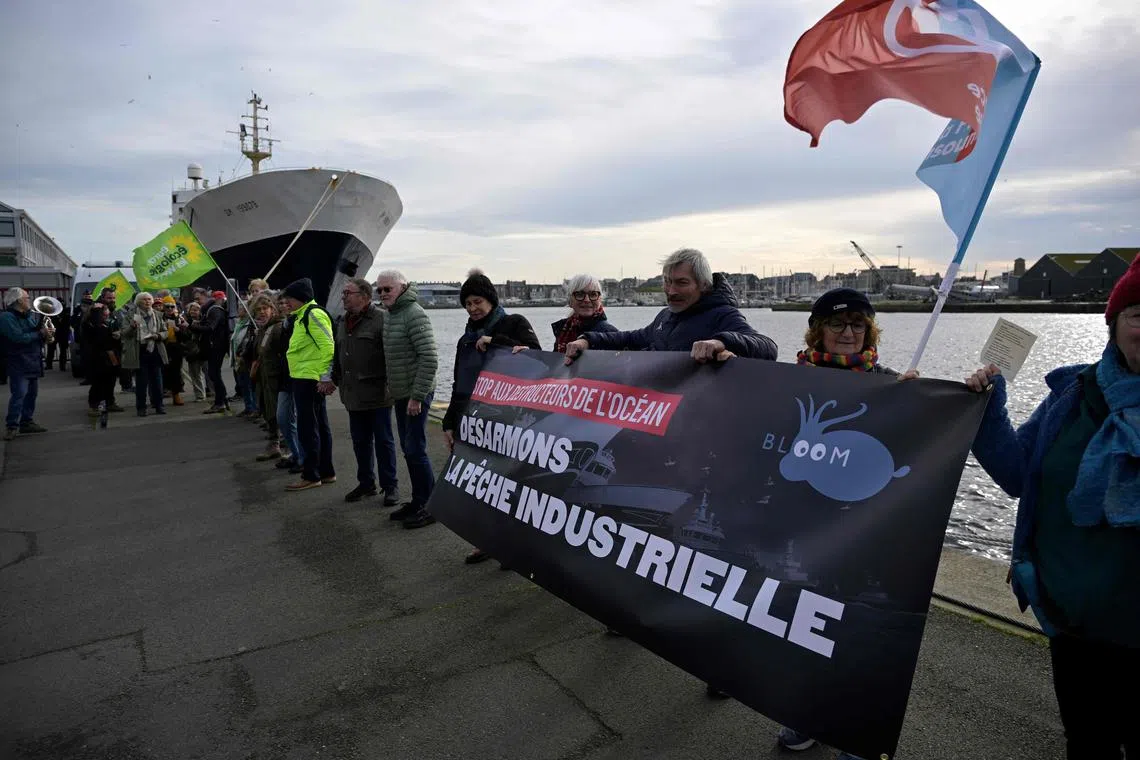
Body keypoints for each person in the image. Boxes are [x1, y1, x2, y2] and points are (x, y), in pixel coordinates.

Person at [966, 257, 1140, 760]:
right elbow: (1019, 473)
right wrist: (988, 407)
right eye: (1138, 315)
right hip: (1074, 625)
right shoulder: (1072, 394)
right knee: (1088, 744)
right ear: (1113, 323)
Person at [773, 287, 916, 760]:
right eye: (838, 324)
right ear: (818, 329)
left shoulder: (894, 385)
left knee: (857, 631)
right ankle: (807, 714)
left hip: (864, 534)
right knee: (802, 625)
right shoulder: (788, 383)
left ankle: (854, 731)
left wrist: (932, 401)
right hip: (803, 528)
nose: (849, 333)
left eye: (859, 324)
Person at [442, 269, 541, 560]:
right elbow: (459, 382)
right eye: (468, 304)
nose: (473, 309)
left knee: (511, 483)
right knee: (482, 483)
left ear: (491, 300)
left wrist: (495, 341)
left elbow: (537, 357)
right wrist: (449, 422)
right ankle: (487, 540)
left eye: (477, 302)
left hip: (508, 419)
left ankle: (514, 544)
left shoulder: (514, 323)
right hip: (474, 420)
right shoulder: (466, 338)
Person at [564, 248, 777, 362]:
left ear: (703, 285)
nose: (671, 291)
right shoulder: (665, 316)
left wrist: (721, 342)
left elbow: (768, 347)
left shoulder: (722, 315)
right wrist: (587, 340)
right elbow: (630, 338)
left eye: (682, 283)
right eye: (668, 282)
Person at [326, 277, 400, 504]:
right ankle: (366, 483)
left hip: (377, 393)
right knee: (360, 441)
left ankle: (390, 487)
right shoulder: (341, 322)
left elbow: (392, 356)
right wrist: (333, 379)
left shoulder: (382, 320)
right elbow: (339, 355)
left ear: (364, 296)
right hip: (353, 394)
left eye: (348, 293)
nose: (343, 296)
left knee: (383, 441)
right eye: (344, 293)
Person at [375, 270, 439, 529]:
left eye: (387, 289)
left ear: (402, 287)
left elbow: (430, 358)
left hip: (416, 394)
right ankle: (419, 499)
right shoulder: (392, 314)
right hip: (402, 393)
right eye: (379, 290)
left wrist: (417, 397)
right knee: (408, 449)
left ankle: (432, 505)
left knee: (415, 449)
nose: (382, 294)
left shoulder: (413, 313)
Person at [280, 278, 336, 491]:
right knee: (319, 426)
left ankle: (311, 474)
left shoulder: (313, 314)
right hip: (306, 377)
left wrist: (325, 376)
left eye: (290, 300)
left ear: (300, 298)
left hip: (309, 379)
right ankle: (326, 471)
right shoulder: (302, 316)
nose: (288, 304)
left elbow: (328, 346)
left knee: (308, 428)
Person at [0, 288, 50, 440]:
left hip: (32, 360)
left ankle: (26, 422)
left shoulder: (27, 316)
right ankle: (12, 426)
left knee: (31, 394)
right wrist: (39, 334)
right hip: (18, 361)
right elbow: (17, 337)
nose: (29, 300)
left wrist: (45, 335)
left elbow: (33, 335)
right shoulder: (7, 317)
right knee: (19, 394)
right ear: (19, 300)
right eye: (27, 298)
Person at [248, 293, 285, 461]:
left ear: (272, 309)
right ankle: (274, 444)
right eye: (258, 309)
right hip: (264, 377)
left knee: (280, 414)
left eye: (265, 308)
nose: (262, 312)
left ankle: (286, 447)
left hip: (276, 378)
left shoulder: (277, 328)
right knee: (267, 411)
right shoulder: (262, 329)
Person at [551, 274, 618, 353]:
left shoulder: (610, 333)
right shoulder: (563, 330)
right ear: (570, 301)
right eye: (580, 294)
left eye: (593, 294)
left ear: (600, 299)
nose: (587, 300)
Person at [192, 290, 231, 413]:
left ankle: (220, 402)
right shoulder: (214, 309)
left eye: (199, 298)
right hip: (216, 346)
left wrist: (191, 326)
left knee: (214, 374)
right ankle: (222, 401)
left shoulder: (214, 310)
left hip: (216, 347)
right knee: (214, 374)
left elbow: (210, 328)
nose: (197, 301)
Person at [131, 292, 168, 416]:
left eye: (149, 299)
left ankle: (159, 406)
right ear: (138, 302)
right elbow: (126, 334)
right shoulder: (134, 315)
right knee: (141, 382)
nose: (147, 302)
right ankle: (141, 408)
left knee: (157, 381)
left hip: (155, 350)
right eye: (144, 300)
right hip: (140, 351)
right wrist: (132, 328)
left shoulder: (157, 314)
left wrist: (157, 336)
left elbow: (165, 332)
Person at [81, 303, 120, 416]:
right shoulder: (89, 325)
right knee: (98, 383)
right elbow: (96, 340)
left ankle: (109, 402)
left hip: (109, 356)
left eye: (107, 315)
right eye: (104, 315)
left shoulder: (105, 324)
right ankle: (94, 406)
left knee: (110, 381)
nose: (106, 317)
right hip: (97, 358)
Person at [161, 296, 188, 406]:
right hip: (163, 347)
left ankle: (176, 395)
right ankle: (160, 395)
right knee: (163, 372)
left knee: (176, 372)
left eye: (172, 306)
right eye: (167, 306)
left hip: (175, 348)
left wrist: (179, 330)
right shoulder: (159, 318)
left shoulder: (179, 318)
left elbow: (186, 336)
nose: (170, 308)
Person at [182, 301, 208, 401]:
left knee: (206, 373)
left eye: (196, 310)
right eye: (192, 310)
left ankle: (208, 393)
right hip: (192, 351)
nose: (194, 312)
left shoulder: (204, 321)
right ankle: (200, 395)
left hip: (203, 350)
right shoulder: (186, 321)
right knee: (195, 374)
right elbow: (184, 337)